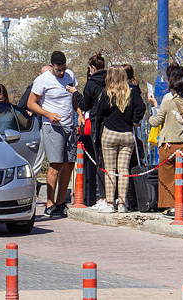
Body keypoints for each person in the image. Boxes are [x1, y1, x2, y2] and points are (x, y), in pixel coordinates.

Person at [28, 51, 84, 217]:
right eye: (58, 69)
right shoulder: (42, 80)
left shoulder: (70, 75)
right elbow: (31, 103)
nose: (61, 72)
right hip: (52, 126)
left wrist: (79, 113)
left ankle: (60, 202)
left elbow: (74, 98)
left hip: (69, 125)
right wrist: (48, 114)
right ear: (52, 66)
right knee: (55, 164)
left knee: (69, 163)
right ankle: (50, 203)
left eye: (63, 69)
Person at [95, 66, 145, 213]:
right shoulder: (132, 92)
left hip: (110, 133)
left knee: (110, 170)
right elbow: (141, 108)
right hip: (127, 134)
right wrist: (135, 119)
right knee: (123, 170)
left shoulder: (107, 93)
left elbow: (99, 114)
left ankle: (110, 203)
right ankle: (123, 203)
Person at [147, 64, 183, 211]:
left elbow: (156, 122)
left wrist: (152, 111)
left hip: (168, 145)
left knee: (167, 177)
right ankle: (181, 206)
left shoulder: (168, 102)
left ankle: (169, 206)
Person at [66, 53, 107, 209]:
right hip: (113, 124)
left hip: (98, 124)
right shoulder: (112, 81)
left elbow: (85, 106)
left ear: (92, 68)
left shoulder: (92, 84)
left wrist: (75, 93)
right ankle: (116, 198)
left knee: (100, 162)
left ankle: (102, 198)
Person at [19, 65, 52, 200]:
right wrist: (31, 113)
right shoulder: (33, 89)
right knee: (37, 159)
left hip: (50, 126)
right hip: (37, 128)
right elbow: (21, 107)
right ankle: (29, 188)